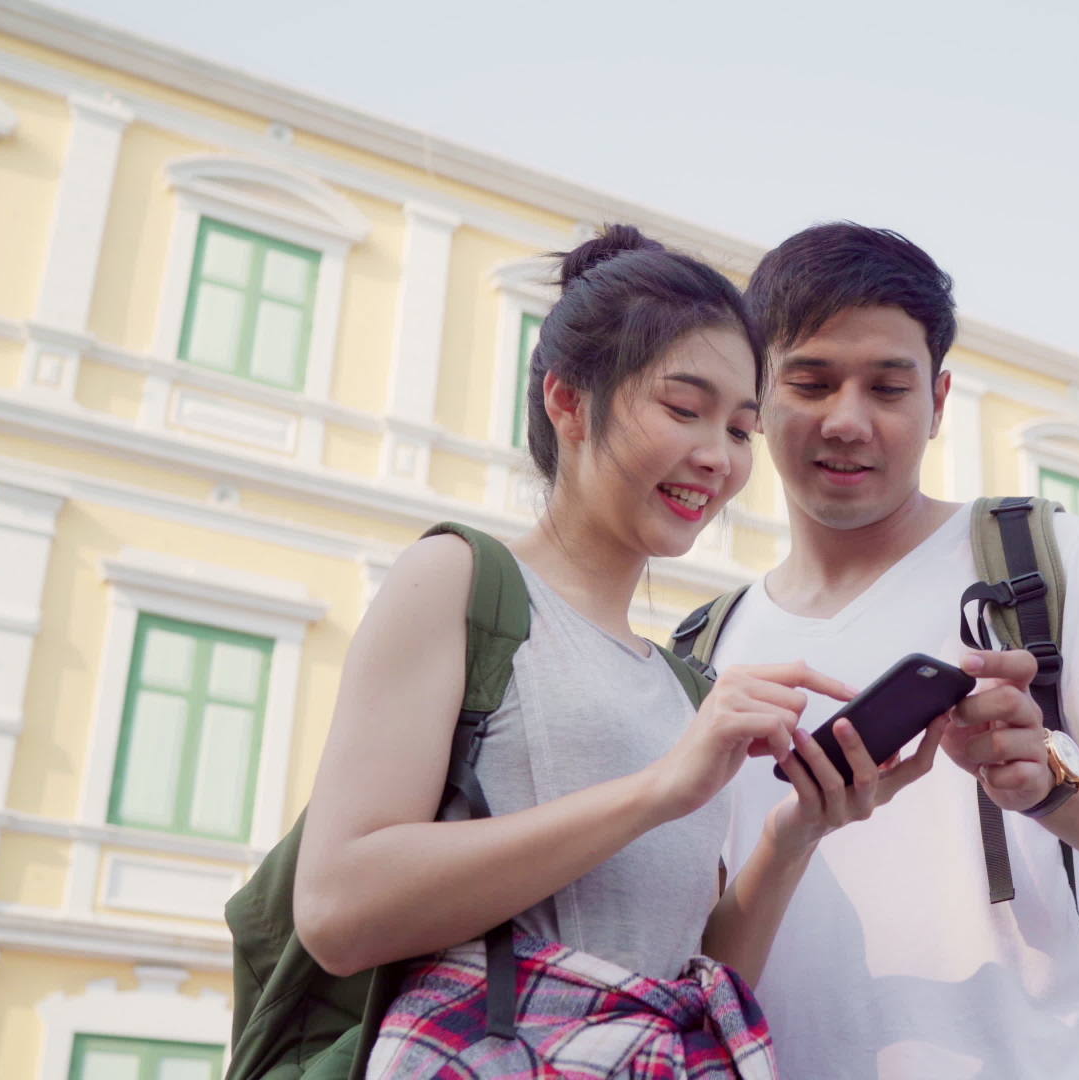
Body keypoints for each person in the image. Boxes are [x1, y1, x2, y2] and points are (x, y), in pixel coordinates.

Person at [291, 225, 939, 1077]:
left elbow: (685, 988)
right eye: (683, 409)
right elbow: (338, 910)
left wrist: (795, 835)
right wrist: (660, 790)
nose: (716, 458)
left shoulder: (684, 684)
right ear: (567, 401)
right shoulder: (462, 581)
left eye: (740, 429)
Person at [702, 223, 1079, 1078]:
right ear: (758, 394)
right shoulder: (706, 647)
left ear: (939, 402)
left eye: (888, 387)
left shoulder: (1039, 560)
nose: (848, 420)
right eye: (811, 381)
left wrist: (1049, 775)